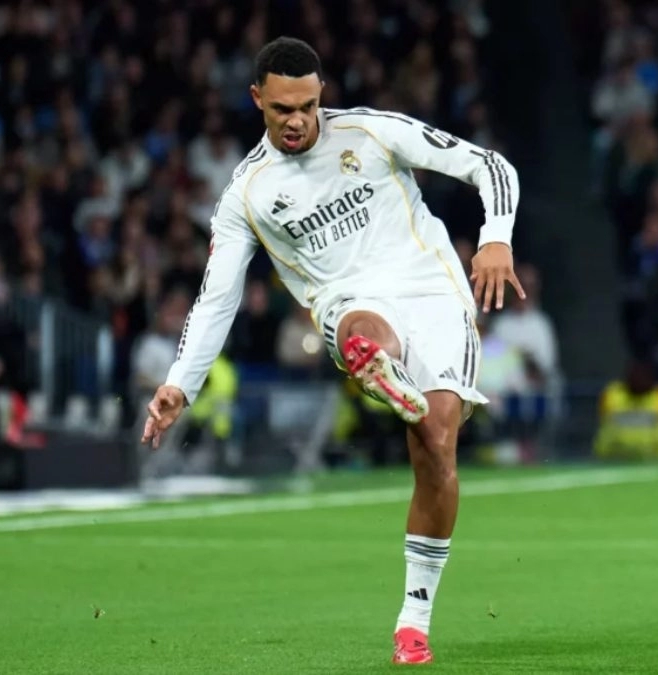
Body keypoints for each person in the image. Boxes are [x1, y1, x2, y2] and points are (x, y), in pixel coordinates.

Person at [138, 37, 522, 665]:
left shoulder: (372, 132)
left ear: (322, 96)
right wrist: (181, 382)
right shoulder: (247, 196)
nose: (297, 120)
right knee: (358, 331)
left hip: (433, 291)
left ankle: (415, 614)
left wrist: (495, 240)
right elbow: (217, 298)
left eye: (308, 106)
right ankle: (375, 363)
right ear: (257, 99)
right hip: (349, 303)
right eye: (282, 108)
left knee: (437, 442)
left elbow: (491, 166)